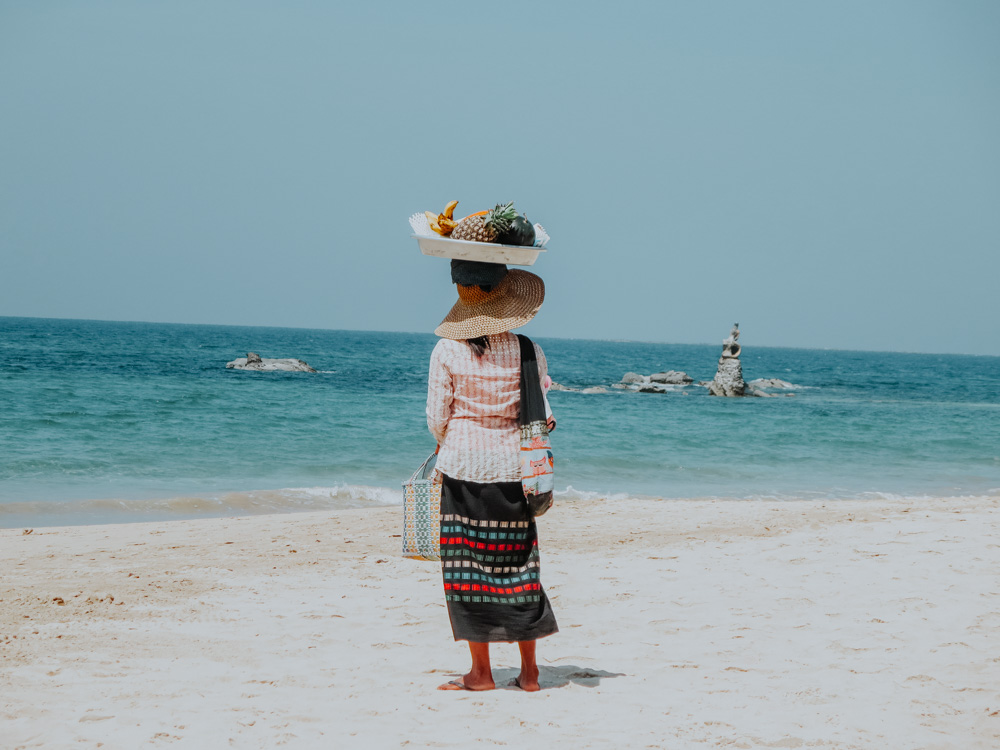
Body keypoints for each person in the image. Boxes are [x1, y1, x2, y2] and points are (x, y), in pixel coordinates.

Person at [426, 261, 558, 692]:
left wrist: (457, 438)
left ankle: (480, 674)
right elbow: (544, 415)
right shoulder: (526, 348)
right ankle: (530, 673)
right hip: (515, 472)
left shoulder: (447, 349)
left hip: (464, 469)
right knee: (520, 566)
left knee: (468, 571)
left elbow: (436, 418)